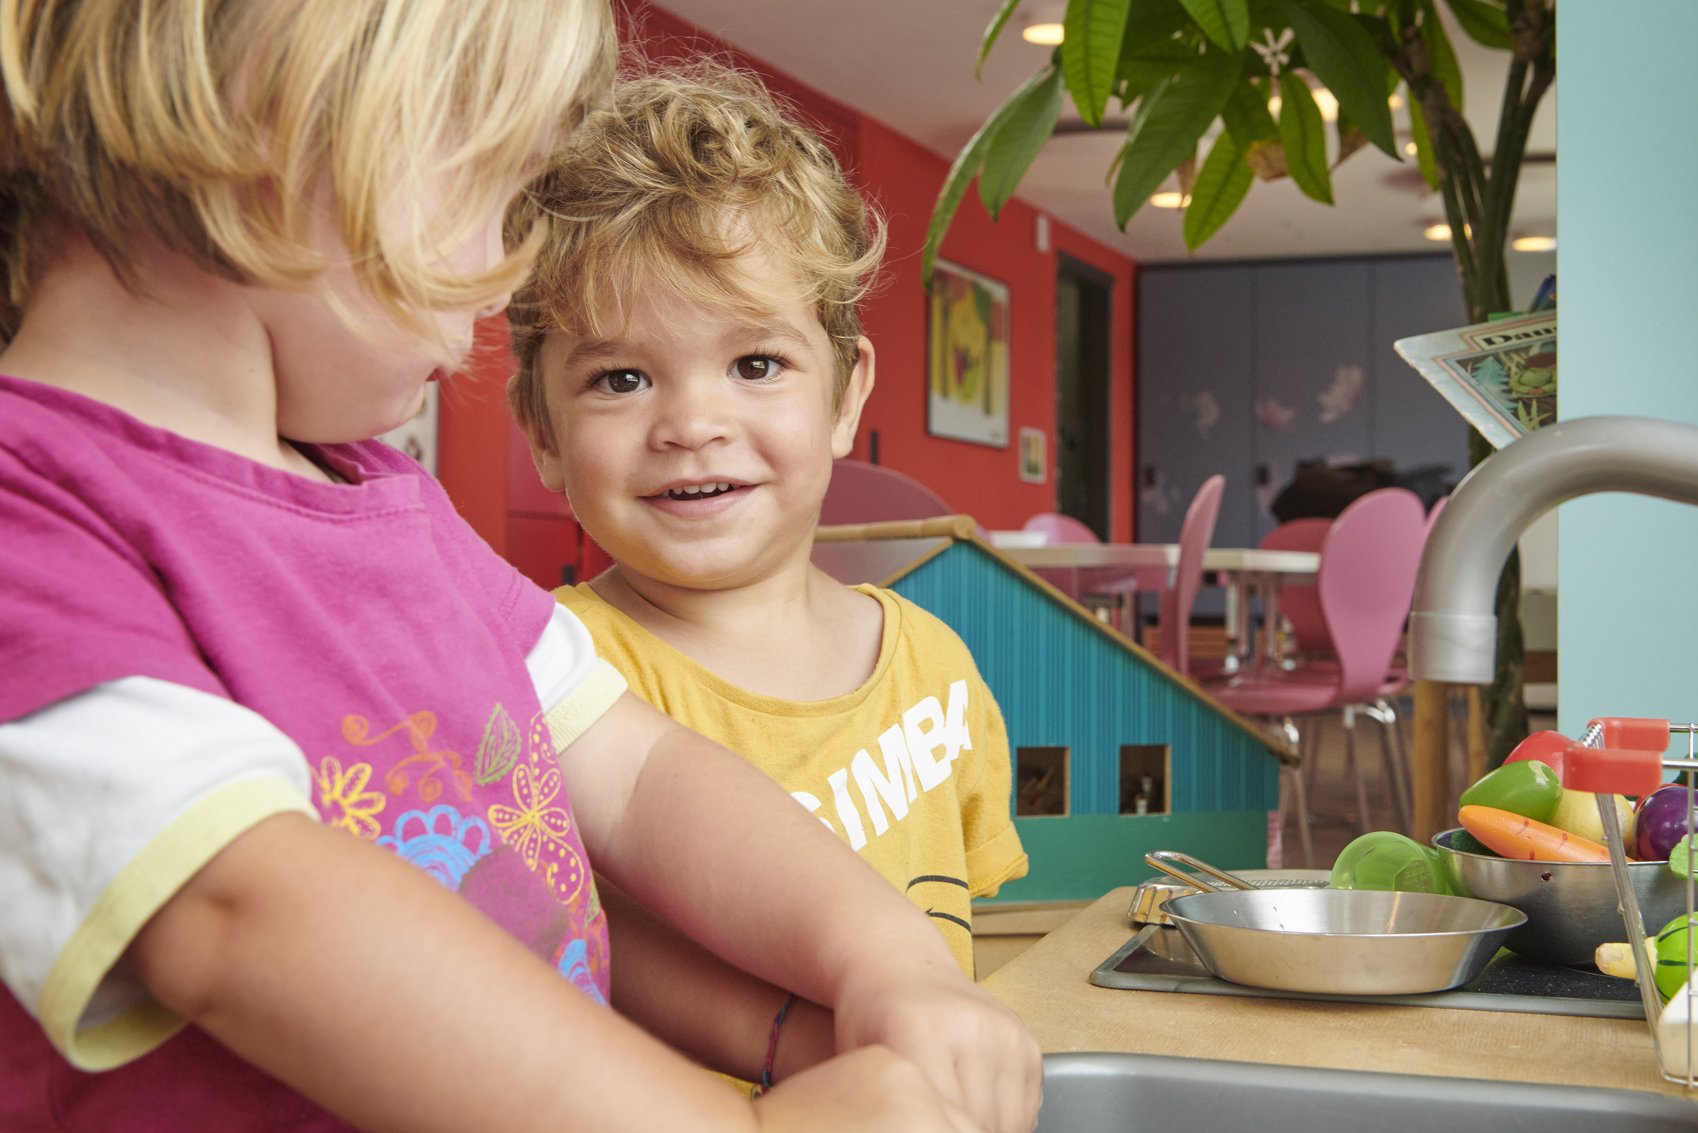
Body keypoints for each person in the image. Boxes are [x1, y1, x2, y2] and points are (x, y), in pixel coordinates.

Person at [0, 4, 1041, 1132]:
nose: (506, 280)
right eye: (497, 197)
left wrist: (884, 961)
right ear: (287, 129)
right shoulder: (33, 521)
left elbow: (636, 774)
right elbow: (236, 913)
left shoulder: (378, 498)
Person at [504, 64, 1029, 987]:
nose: (692, 425)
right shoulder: (550, 679)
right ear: (544, 433)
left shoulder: (936, 669)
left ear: (844, 393)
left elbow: (987, 945)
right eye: (620, 379)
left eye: (754, 362)